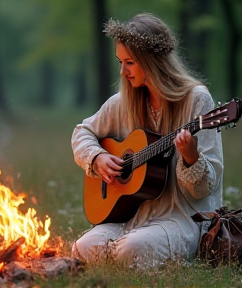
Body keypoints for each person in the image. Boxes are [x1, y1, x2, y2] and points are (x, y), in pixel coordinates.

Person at [71, 13, 223, 269]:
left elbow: (204, 190)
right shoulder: (123, 102)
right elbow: (82, 131)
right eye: (120, 61)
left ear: (151, 61)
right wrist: (97, 158)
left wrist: (190, 157)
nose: (122, 71)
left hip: (183, 218)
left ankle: (181, 256)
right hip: (134, 217)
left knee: (131, 249)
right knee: (82, 247)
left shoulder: (197, 99)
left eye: (129, 62)